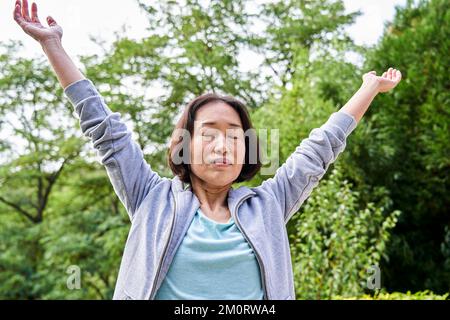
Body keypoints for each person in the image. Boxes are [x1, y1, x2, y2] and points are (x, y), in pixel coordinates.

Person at [13, 0, 402, 300]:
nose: (223, 145)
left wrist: (368, 88)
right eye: (209, 134)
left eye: (234, 135)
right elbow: (105, 129)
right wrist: (52, 46)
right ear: (184, 145)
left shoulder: (269, 205)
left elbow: (319, 149)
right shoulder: (151, 198)